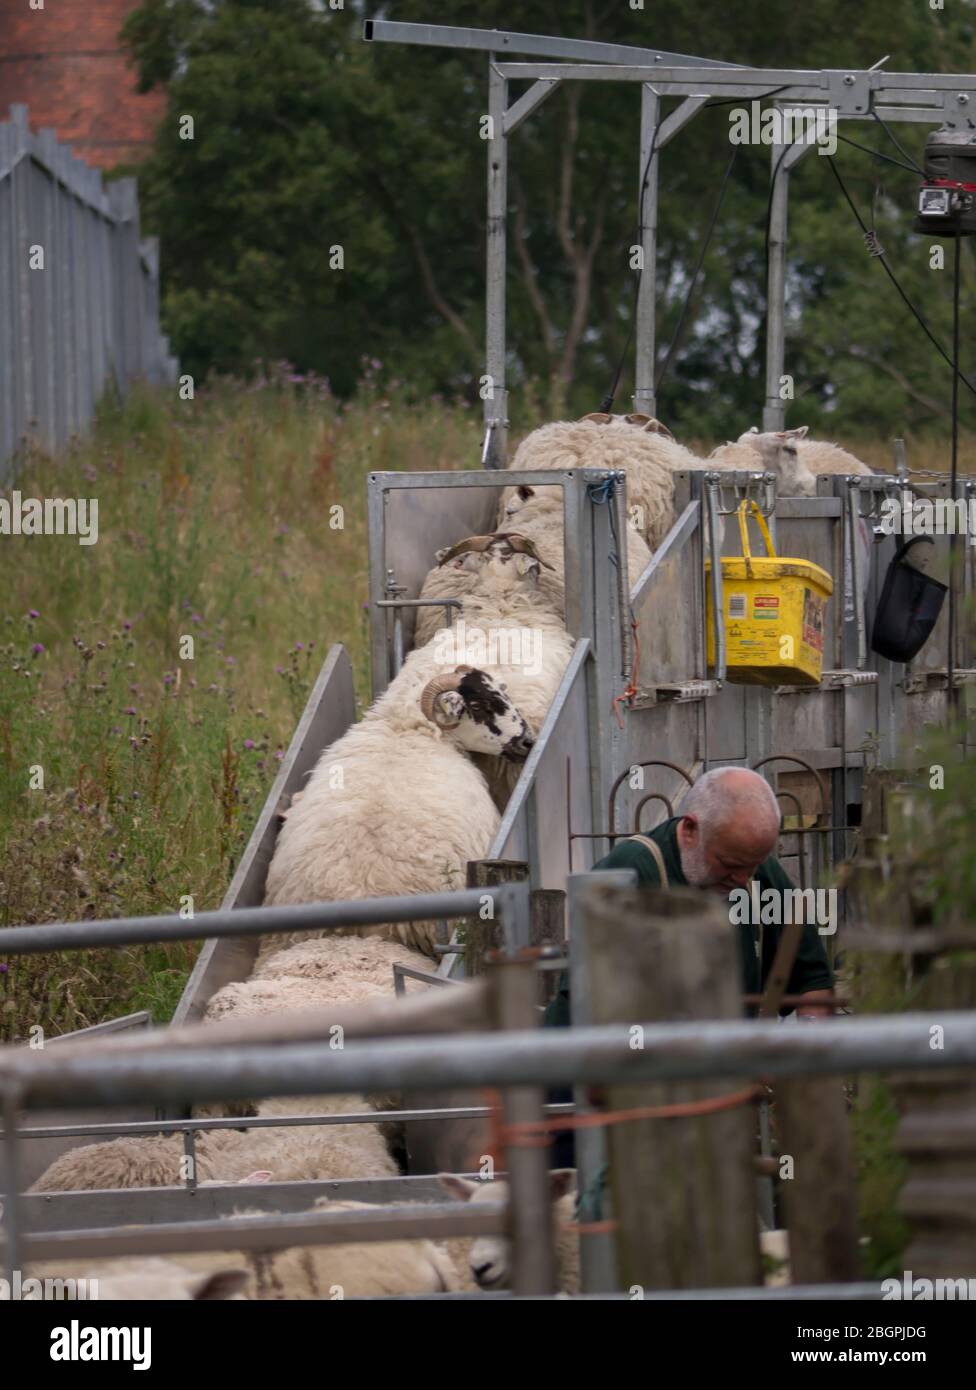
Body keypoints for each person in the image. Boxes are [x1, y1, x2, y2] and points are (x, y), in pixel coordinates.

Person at [544, 767, 835, 1164]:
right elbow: (602, 1010)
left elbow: (812, 981)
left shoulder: (757, 875)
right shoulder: (630, 873)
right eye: (730, 864)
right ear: (690, 830)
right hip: (593, 1094)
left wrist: (804, 1064)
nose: (742, 878)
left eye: (753, 865)